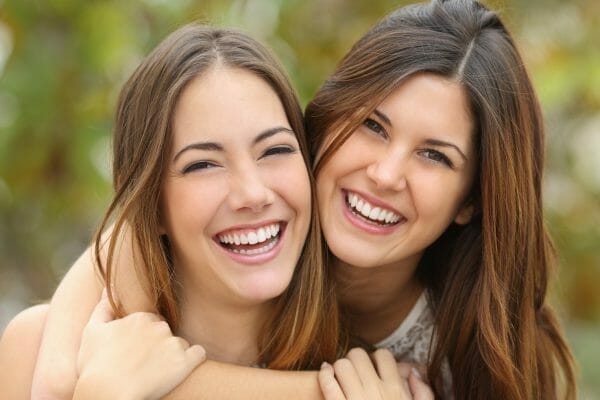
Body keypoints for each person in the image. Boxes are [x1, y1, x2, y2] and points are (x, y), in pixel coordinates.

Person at [2, 0, 577, 398]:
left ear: (471, 200)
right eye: (373, 126)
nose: (384, 173)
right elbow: (130, 231)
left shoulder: (455, 359)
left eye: (435, 156)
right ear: (322, 125)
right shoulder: (268, 220)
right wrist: (63, 371)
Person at [0, 23, 354, 399]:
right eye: (202, 164)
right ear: (147, 204)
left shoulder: (369, 369)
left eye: (275, 150)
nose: (252, 193)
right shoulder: (39, 352)